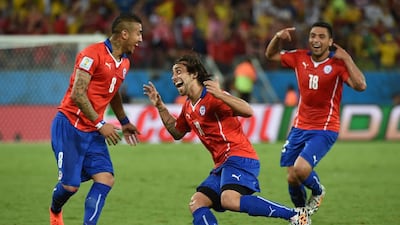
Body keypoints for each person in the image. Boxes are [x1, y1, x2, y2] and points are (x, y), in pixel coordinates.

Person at [143, 54, 310, 225]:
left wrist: (220, 95)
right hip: (222, 165)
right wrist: (160, 107)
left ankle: (295, 216)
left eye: (178, 72)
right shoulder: (188, 106)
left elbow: (248, 110)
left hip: (239, 156)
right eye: (172, 73)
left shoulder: (212, 96)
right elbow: (177, 132)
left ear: (194, 74)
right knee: (197, 202)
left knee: (229, 199)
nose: (173, 77)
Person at [265, 21, 367, 217]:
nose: (316, 40)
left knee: (301, 169)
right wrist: (277, 37)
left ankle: (318, 191)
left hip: (325, 127)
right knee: (292, 178)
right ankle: (302, 215)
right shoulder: (299, 57)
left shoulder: (337, 65)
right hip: (299, 126)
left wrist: (346, 57)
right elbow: (270, 55)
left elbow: (361, 85)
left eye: (321, 36)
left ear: (330, 41)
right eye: (313, 36)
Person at [49, 13, 142, 225]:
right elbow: (77, 94)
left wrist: (124, 120)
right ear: (124, 34)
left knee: (106, 179)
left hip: (92, 130)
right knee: (70, 187)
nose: (141, 39)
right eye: (138, 33)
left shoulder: (125, 62)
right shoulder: (91, 54)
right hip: (70, 125)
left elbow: (113, 91)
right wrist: (101, 124)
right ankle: (55, 211)